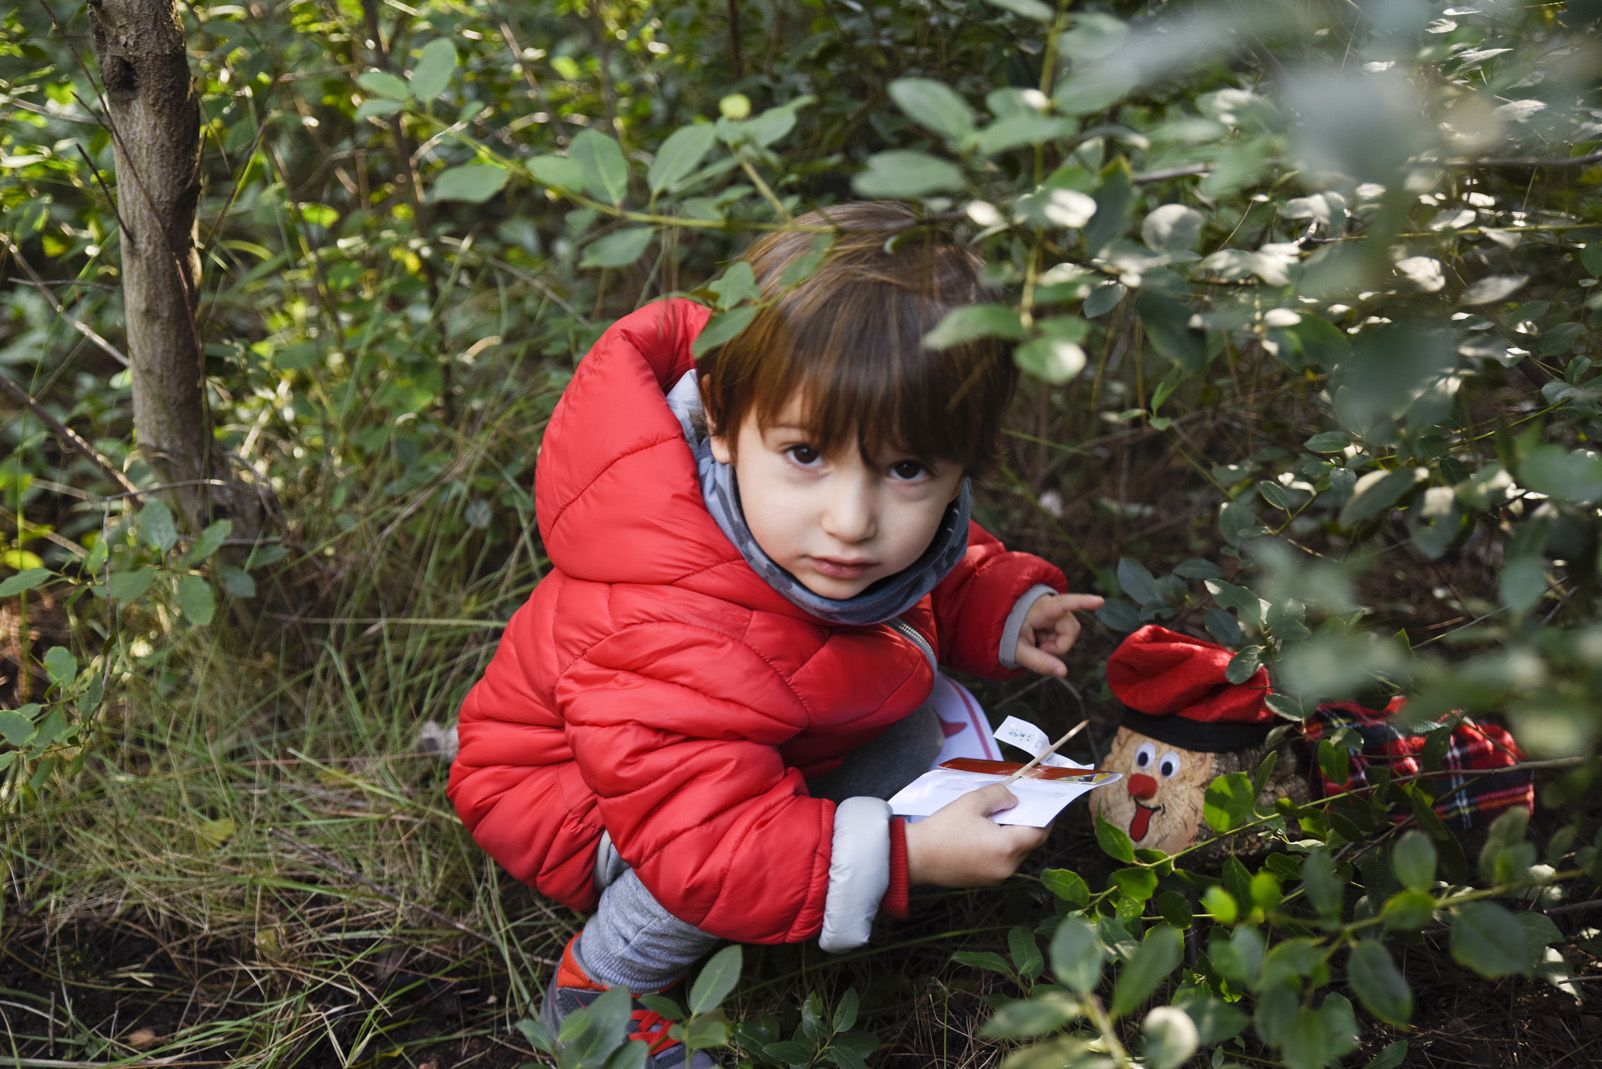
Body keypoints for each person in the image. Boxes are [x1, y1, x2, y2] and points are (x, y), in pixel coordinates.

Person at [448, 201, 1103, 1066]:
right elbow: (706, 838)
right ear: (720, 421)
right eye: (805, 454)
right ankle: (601, 986)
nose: (851, 520)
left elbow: (932, 573)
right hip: (585, 797)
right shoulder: (672, 621)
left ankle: (829, 838)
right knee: (733, 844)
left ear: (958, 467)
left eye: (907, 468)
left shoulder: (828, 528)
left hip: (726, 742)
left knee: (910, 732)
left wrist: (1002, 606)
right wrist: (905, 854)